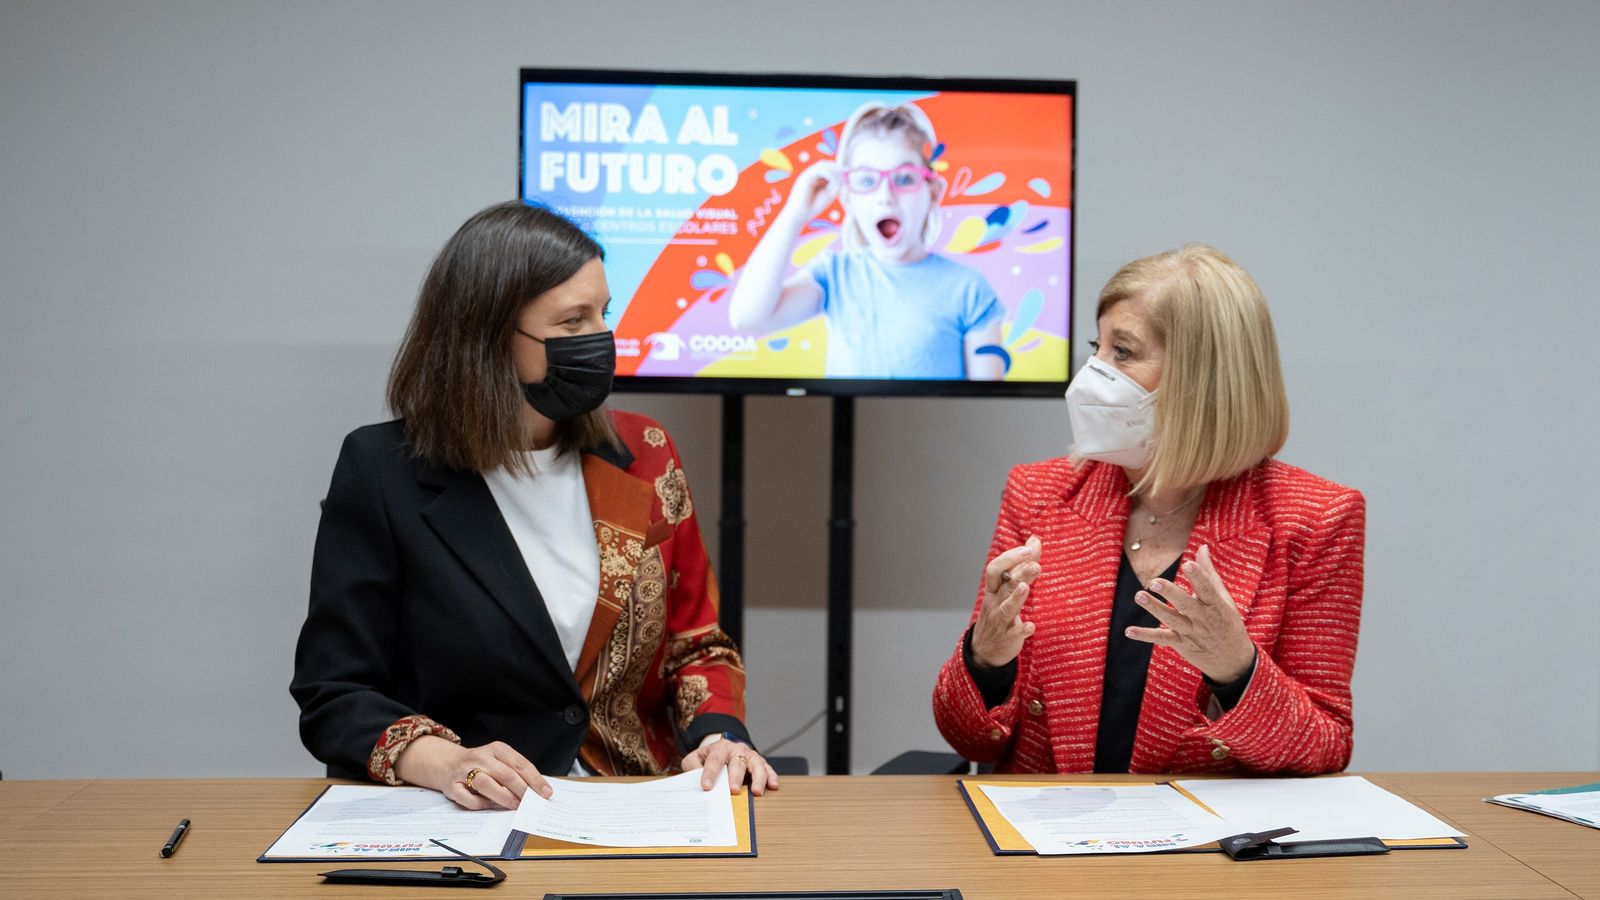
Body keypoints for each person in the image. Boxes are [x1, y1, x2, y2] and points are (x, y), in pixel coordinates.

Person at [291, 201, 779, 810]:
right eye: (573, 321)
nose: (600, 339)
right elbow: (335, 689)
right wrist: (444, 762)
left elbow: (696, 646)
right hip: (468, 813)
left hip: (633, 804)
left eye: (605, 314)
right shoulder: (381, 471)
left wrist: (720, 736)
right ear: (487, 334)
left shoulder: (647, 451)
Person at [932, 244, 1365, 775]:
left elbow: (1325, 748)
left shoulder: (1317, 517)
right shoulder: (1039, 493)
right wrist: (984, 661)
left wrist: (1237, 669)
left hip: (1207, 848)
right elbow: (970, 740)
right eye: (1098, 348)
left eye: (1123, 353)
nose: (1093, 373)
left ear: (1203, 380)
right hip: (1045, 841)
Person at [727, 101, 1004, 380]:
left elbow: (987, 407)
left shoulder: (970, 290)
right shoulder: (835, 275)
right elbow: (747, 318)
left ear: (933, 191)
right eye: (867, 180)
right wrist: (794, 215)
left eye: (904, 178)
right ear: (847, 197)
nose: (885, 195)